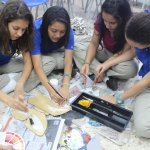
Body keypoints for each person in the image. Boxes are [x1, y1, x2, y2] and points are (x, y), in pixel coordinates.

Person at [101, 12, 150, 138]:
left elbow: (146, 82)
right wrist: (107, 64)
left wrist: (117, 97)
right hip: (146, 79)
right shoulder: (142, 22)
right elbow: (132, 52)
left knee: (143, 129)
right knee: (141, 125)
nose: (133, 48)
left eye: (136, 46)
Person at [74, 0, 138, 90]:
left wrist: (105, 65)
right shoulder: (100, 20)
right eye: (105, 21)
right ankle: (105, 75)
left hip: (121, 57)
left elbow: (125, 52)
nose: (107, 26)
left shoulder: (130, 25)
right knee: (77, 47)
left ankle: (98, 71)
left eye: (112, 23)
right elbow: (93, 43)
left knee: (132, 69)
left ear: (123, 19)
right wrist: (87, 63)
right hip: (105, 51)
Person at [31, 6, 74, 104]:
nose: (58, 35)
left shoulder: (68, 31)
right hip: (38, 55)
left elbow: (68, 60)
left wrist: (65, 86)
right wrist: (50, 90)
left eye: (62, 32)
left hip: (54, 51)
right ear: (46, 26)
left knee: (68, 59)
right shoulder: (35, 30)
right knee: (50, 63)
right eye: (54, 31)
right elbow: (37, 65)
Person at [0, 0, 34, 112]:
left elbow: (28, 62)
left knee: (46, 63)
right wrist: (7, 100)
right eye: (16, 28)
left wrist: (20, 83)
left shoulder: (22, 36)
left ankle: (11, 84)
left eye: (23, 29)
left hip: (5, 65)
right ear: (5, 23)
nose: (19, 34)